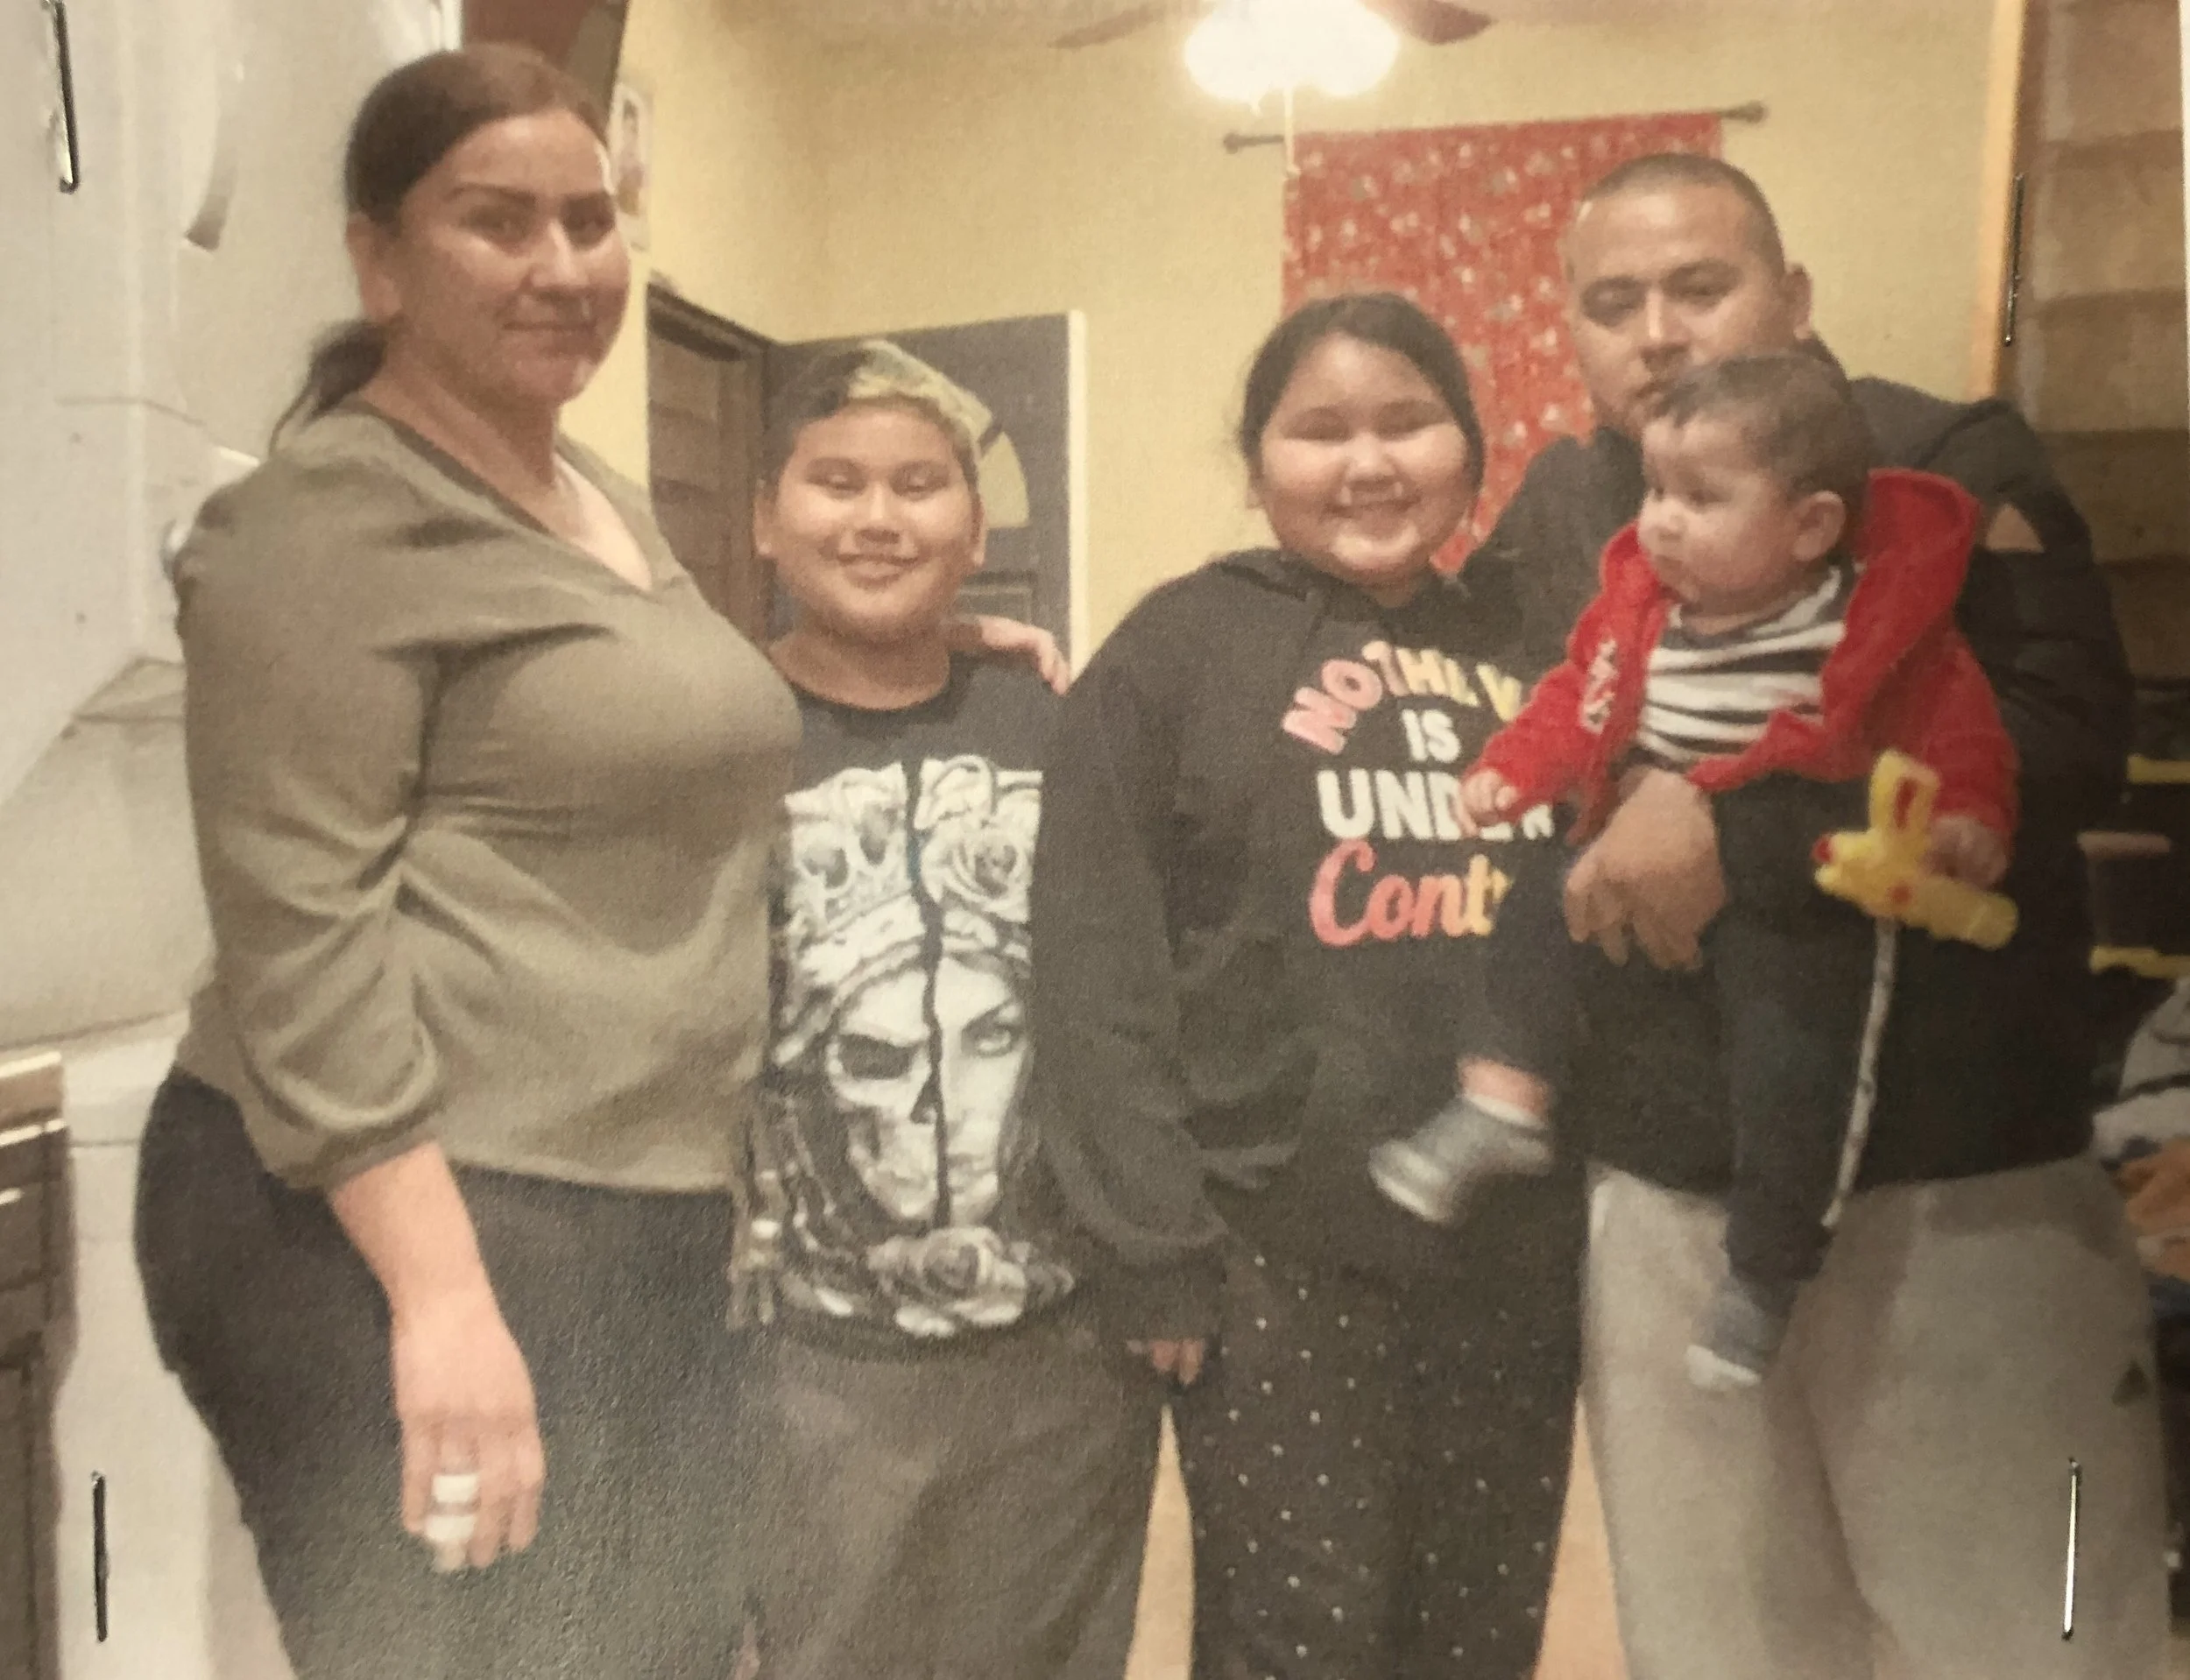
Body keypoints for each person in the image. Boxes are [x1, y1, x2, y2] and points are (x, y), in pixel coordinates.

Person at [129, 48, 1056, 1680]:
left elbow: (639, 729)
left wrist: (925, 650)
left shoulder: (583, 491)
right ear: (379, 260)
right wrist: (440, 1303)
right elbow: (300, 942)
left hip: (630, 1207)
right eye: (498, 222)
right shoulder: (323, 522)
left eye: (587, 219)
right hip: (407, 1217)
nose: (562, 265)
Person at [1462, 152, 2165, 1678]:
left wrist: (1739, 830)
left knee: (2035, 1635)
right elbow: (1517, 720)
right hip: (1662, 1181)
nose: (1657, 330)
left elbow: (2064, 737)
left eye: (1698, 286)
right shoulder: (1567, 502)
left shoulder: (1947, 458)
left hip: (1958, 1185)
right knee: (1716, 1637)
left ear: (1791, 298)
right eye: (1613, 301)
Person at [1033, 293, 1585, 1680]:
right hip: (1272, 1251)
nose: (1369, 462)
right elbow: (1095, 963)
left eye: (1409, 422)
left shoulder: (1538, 649)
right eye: (1320, 429)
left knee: (1476, 1636)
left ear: (1471, 447)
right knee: (1301, 1641)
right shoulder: (1174, 652)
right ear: (1256, 460)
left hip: (1513, 1251)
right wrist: (1151, 1240)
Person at [1372, 353, 2017, 1389]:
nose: (1661, 522)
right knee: (1532, 910)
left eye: (1700, 498)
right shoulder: (1642, 606)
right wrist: (1514, 769)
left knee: (1793, 1068)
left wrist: (1971, 815)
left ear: (1808, 526)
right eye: (1655, 490)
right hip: (1630, 858)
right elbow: (1572, 697)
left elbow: (1956, 722)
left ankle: (1765, 1270)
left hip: (1801, 897)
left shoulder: (1864, 620)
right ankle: (1502, 1101)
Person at [730, 341, 1164, 1679]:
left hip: (1066, 1360)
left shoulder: (1060, 724)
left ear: (976, 532)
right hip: (809, 1362)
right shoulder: (710, 729)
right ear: (766, 518)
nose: (878, 517)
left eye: (919, 485)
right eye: (837, 482)